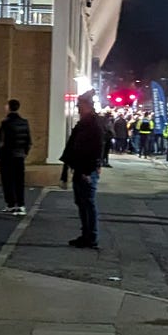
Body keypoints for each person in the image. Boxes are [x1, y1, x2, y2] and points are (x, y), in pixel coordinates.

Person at [59, 93, 107, 248]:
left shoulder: (92, 124)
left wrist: (89, 170)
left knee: (87, 202)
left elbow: (95, 148)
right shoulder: (86, 123)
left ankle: (90, 237)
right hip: (82, 168)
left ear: (86, 105)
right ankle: (86, 234)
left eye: (79, 105)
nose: (77, 108)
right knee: (82, 202)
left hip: (86, 169)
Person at [0, 99, 32, 216]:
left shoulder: (5, 123)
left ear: (9, 107)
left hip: (7, 156)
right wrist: (24, 152)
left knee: (8, 181)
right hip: (19, 156)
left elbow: (0, 140)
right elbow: (28, 141)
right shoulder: (24, 122)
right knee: (19, 181)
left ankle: (11, 204)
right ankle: (21, 205)